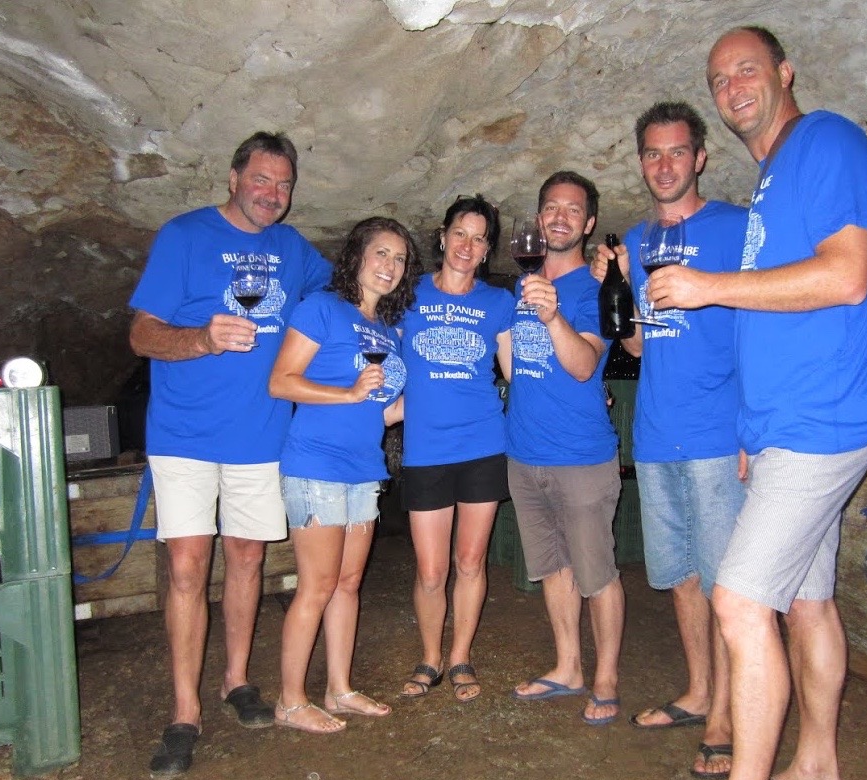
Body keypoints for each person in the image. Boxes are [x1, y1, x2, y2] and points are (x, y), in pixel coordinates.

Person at [641, 26, 867, 780]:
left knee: (741, 602)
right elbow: (775, 316)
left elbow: (846, 276)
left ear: (785, 73)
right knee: (807, 602)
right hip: (785, 427)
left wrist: (708, 285)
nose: (733, 85)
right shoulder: (772, 182)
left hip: (822, 422)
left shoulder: (830, 143)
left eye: (748, 69)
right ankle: (815, 769)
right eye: (719, 77)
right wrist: (750, 433)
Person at [129, 131, 331, 779]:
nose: (273, 194)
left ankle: (236, 680)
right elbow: (140, 334)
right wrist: (203, 339)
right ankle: (184, 711)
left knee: (247, 558)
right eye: (262, 180)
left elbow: (338, 293)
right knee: (188, 567)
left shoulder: (294, 250)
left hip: (261, 434)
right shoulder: (183, 236)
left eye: (284, 184)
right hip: (184, 434)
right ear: (233, 177)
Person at [591, 102, 747, 779]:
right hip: (656, 436)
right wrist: (613, 287)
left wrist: (753, 432)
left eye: (677, 152)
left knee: (722, 584)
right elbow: (638, 343)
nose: (664, 165)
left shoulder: (737, 229)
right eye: (652, 154)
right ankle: (699, 691)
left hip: (719, 434)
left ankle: (724, 719)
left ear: (700, 157)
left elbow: (765, 332)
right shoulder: (636, 239)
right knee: (682, 577)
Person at [268, 216, 421, 733]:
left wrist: (422, 404)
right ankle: (290, 701)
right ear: (356, 256)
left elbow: (376, 411)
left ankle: (339, 688)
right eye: (381, 253)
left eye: (400, 258)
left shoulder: (385, 332)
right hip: (315, 465)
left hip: (363, 468)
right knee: (317, 585)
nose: (390, 266)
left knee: (349, 584)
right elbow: (281, 381)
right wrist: (349, 393)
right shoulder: (321, 310)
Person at [507, 171, 625, 726]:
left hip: (581, 456)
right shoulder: (518, 287)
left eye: (572, 210)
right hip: (525, 455)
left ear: (590, 222)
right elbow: (513, 363)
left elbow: (582, 368)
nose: (559, 217)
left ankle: (605, 679)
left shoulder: (597, 289)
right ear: (537, 220)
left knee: (596, 572)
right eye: (550, 208)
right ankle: (568, 666)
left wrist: (552, 315)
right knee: (553, 568)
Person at [397, 194, 514, 703]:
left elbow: (516, 374)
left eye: (480, 237)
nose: (468, 246)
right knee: (430, 568)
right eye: (460, 234)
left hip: (484, 442)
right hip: (425, 446)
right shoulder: (409, 293)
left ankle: (461, 654)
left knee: (470, 560)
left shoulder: (498, 303)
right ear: (442, 237)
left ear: (488, 250)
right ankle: (429, 656)